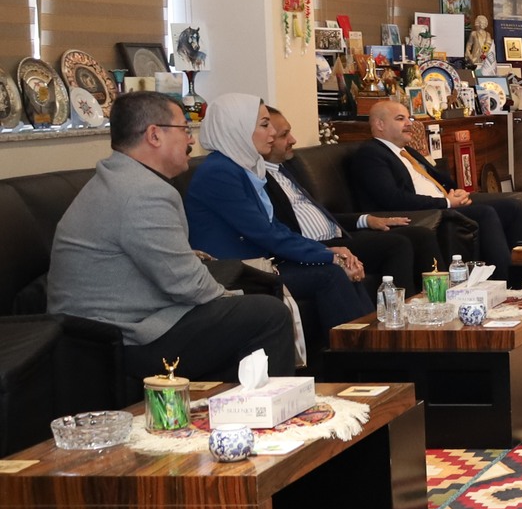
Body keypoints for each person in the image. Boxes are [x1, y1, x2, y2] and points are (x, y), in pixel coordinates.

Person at [48, 91, 295, 384]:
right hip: (121, 337)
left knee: (248, 307)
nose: (191, 139)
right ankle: (262, 410)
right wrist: (233, 297)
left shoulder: (120, 178)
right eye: (185, 129)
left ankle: (220, 405)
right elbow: (187, 285)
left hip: (111, 327)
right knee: (268, 313)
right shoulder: (142, 193)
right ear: (154, 135)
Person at [184, 94, 373, 360]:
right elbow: (266, 234)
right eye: (264, 125)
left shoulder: (243, 166)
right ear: (237, 128)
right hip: (236, 272)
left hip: (260, 262)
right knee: (330, 274)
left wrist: (330, 251)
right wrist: (327, 255)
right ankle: (358, 360)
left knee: (340, 267)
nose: (272, 132)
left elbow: (276, 228)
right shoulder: (219, 172)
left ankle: (373, 349)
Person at [259, 105, 434, 291]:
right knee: (397, 245)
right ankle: (401, 306)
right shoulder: (260, 180)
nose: (293, 140)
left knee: (421, 234)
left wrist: (366, 219)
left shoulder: (287, 170)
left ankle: (439, 298)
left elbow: (323, 215)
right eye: (284, 135)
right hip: (316, 246)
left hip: (339, 234)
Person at [347, 99, 522, 270]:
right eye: (400, 119)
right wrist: (447, 203)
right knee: (485, 212)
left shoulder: (407, 151)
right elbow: (393, 199)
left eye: (409, 118)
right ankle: (506, 280)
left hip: (444, 201)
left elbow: (439, 179)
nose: (409, 123)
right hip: (423, 212)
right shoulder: (370, 155)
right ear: (380, 124)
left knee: (512, 206)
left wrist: (456, 192)